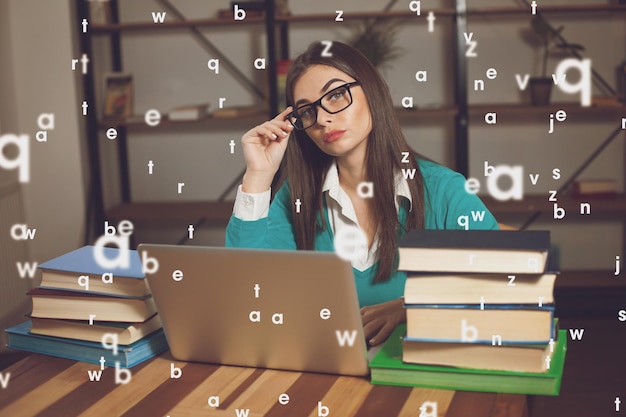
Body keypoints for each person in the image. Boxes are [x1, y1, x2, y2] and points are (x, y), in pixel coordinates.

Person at [225, 41, 499, 347]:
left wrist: (410, 306)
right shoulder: (296, 197)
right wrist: (259, 176)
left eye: (337, 94)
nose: (324, 118)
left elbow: (504, 286)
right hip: (325, 375)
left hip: (418, 376)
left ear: (372, 92)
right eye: (307, 110)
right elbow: (252, 292)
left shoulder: (443, 190)